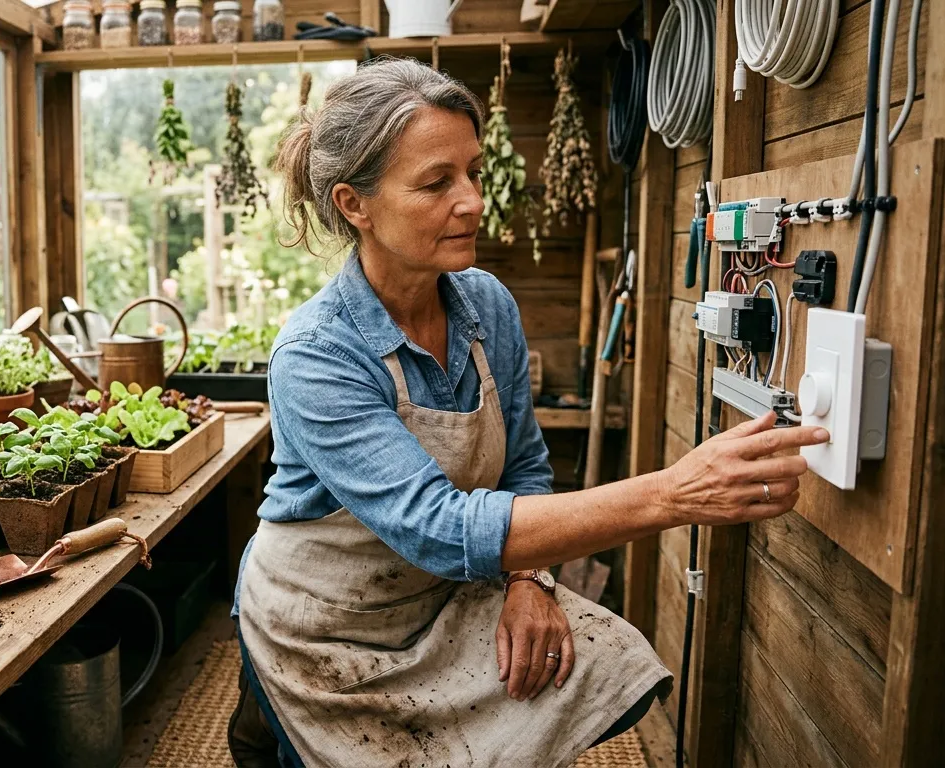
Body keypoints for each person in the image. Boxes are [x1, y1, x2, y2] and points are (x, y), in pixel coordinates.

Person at [227, 58, 827, 768]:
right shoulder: (316, 353)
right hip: (322, 626)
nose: (474, 201)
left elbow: (523, 464)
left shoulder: (486, 307)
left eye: (473, 172)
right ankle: (261, 716)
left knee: (602, 658)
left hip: (439, 596)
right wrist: (674, 492)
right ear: (354, 204)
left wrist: (529, 580)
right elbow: (439, 526)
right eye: (435, 183)